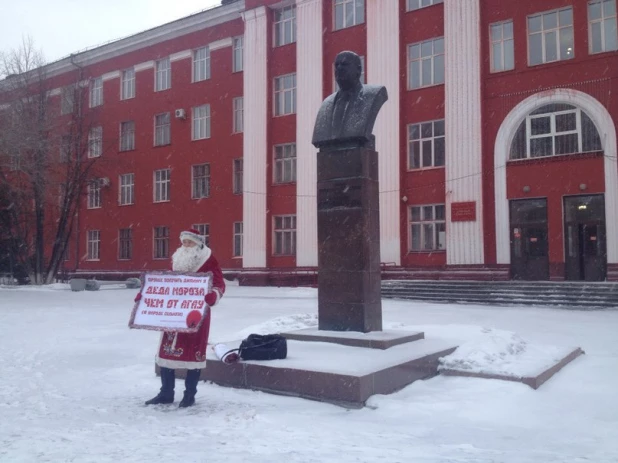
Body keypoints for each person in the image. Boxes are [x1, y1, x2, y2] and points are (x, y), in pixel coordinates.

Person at [136, 228, 226, 408]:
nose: (186, 245)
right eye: (183, 242)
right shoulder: (177, 259)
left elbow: (219, 283)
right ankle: (166, 393)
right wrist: (146, 297)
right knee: (166, 353)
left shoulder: (208, 259)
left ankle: (189, 395)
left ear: (198, 243)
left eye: (190, 242)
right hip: (173, 315)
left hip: (196, 315)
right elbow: (167, 285)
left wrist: (214, 295)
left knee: (193, 355)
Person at [312, 50, 388, 151]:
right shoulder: (326, 104)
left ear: (358, 70)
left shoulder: (372, 95)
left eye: (344, 64)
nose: (339, 68)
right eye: (337, 65)